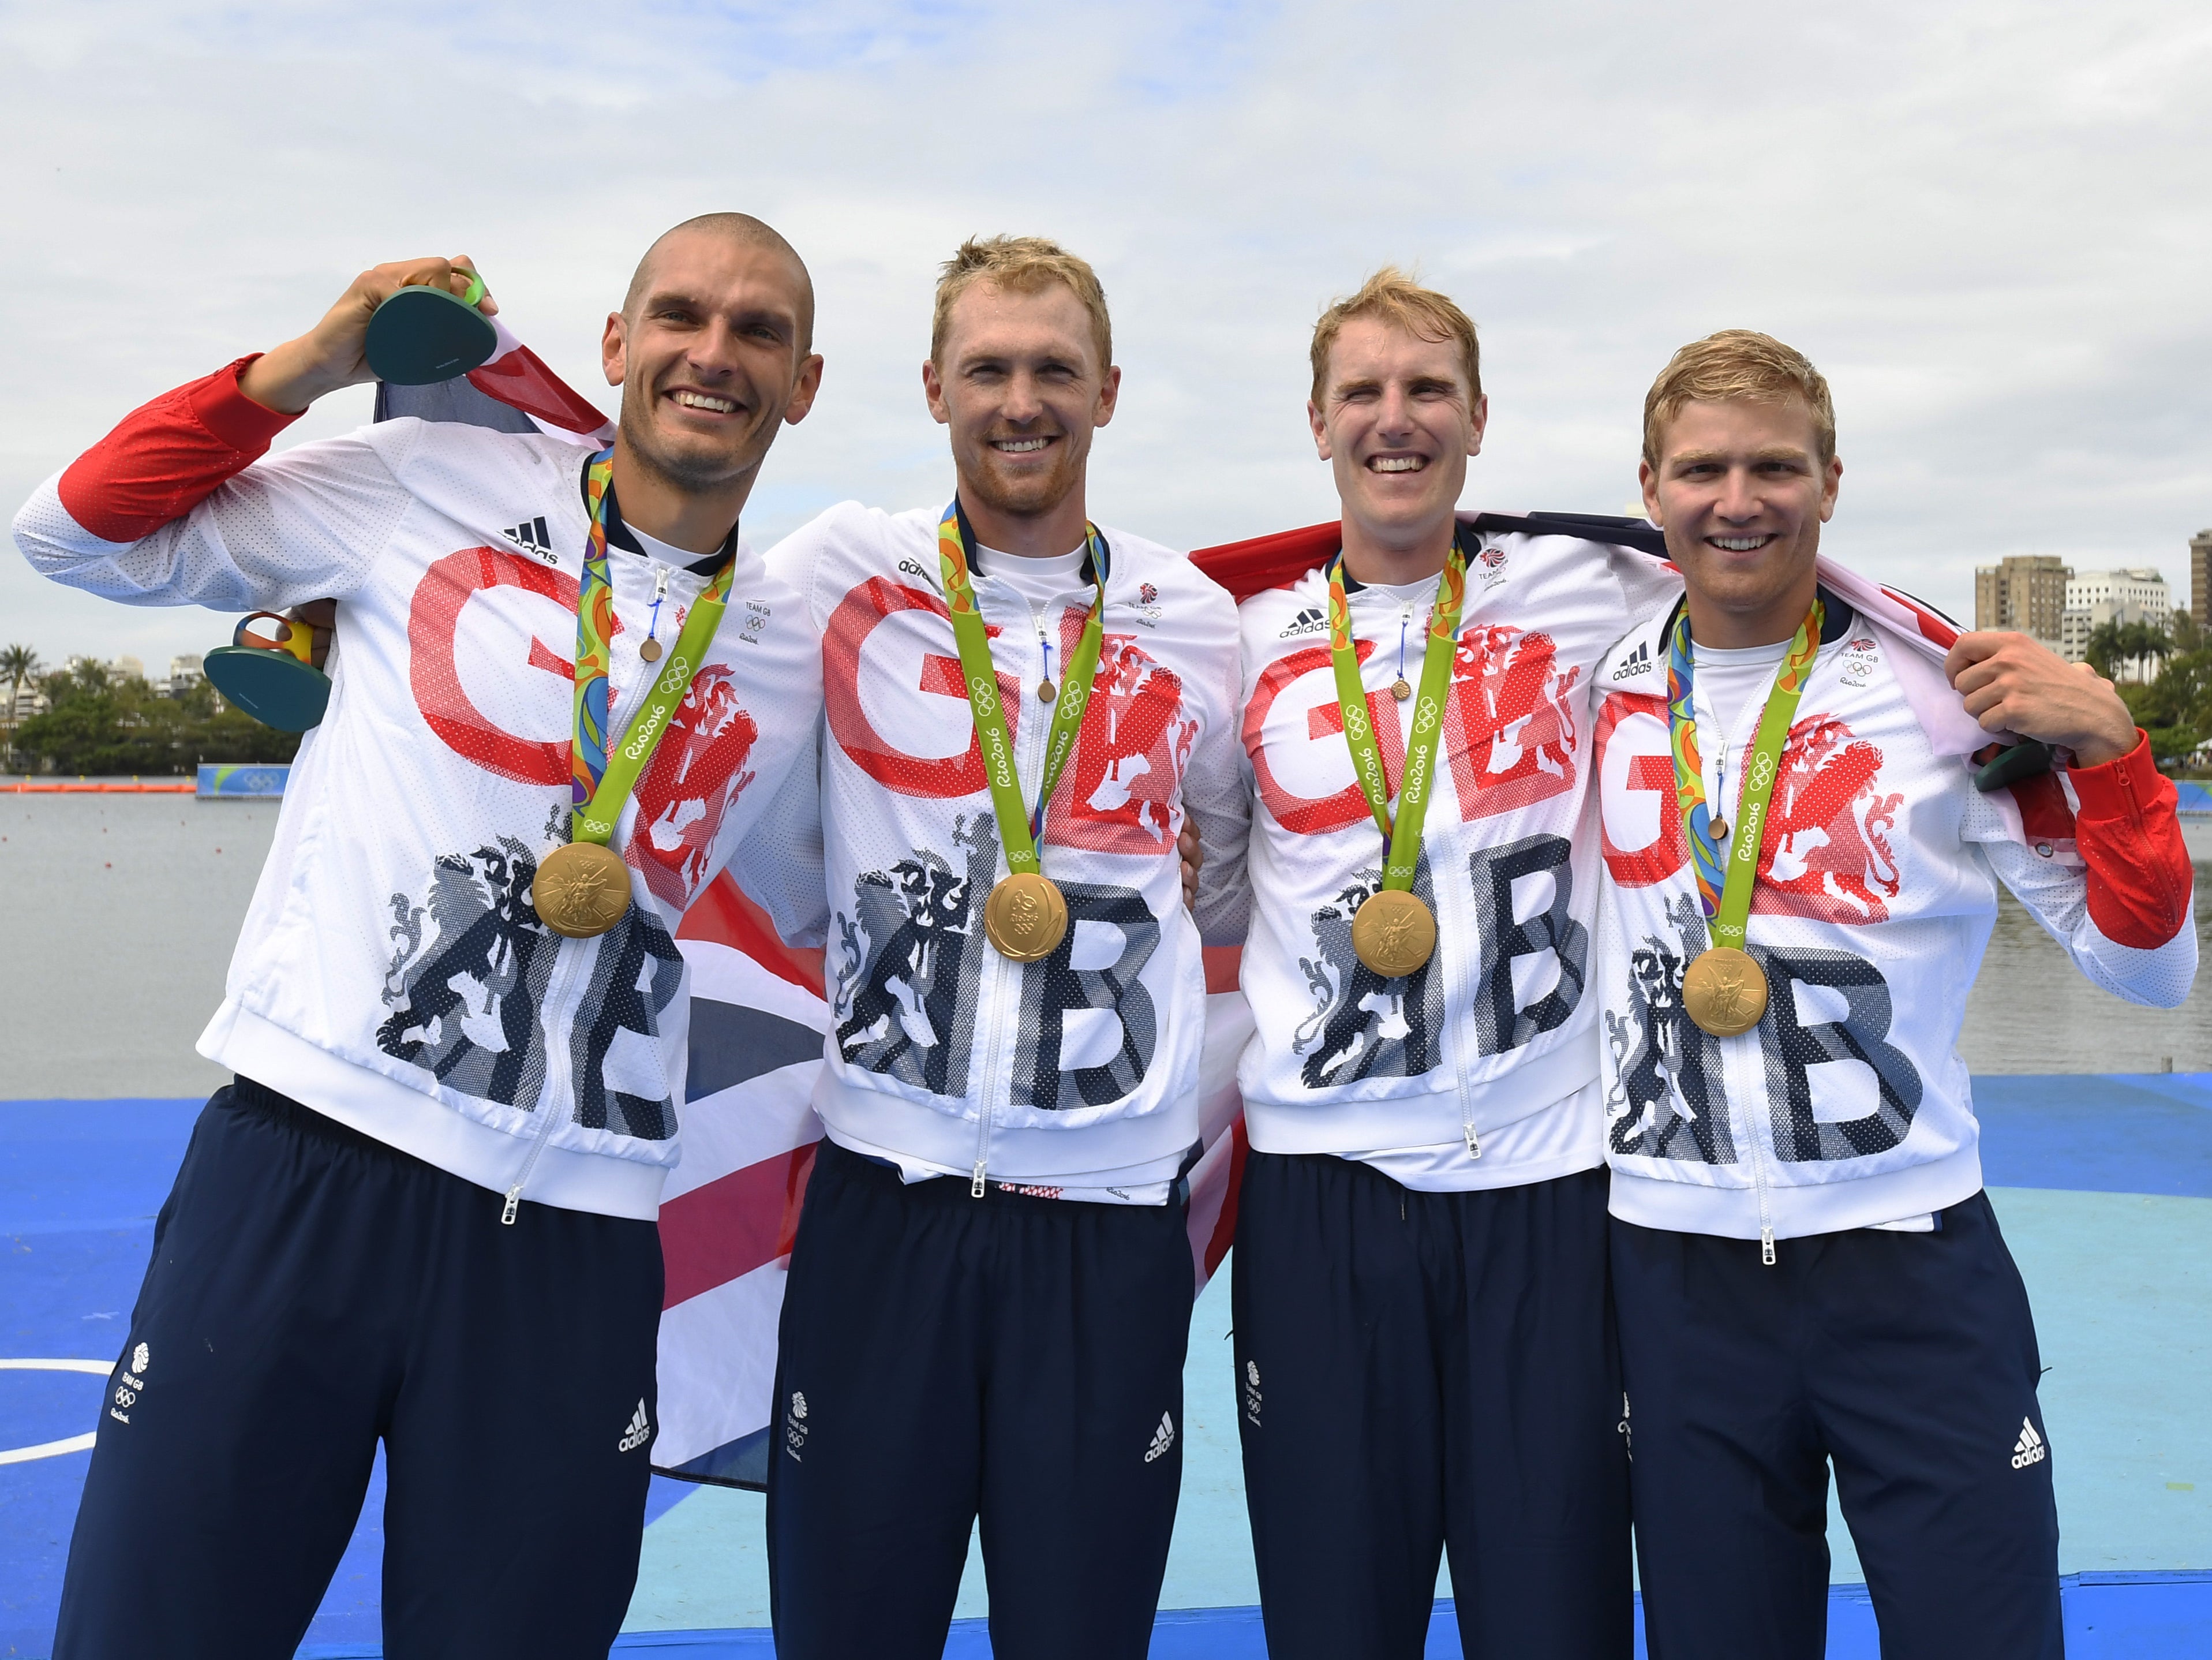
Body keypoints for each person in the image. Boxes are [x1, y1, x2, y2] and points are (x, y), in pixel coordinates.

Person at [13, 214, 828, 1659]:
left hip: (572, 1242)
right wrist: (309, 362)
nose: (716, 354)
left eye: (759, 332)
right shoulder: (424, 482)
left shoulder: (789, 645)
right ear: (617, 348)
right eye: (685, 317)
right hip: (306, 1167)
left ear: (804, 383)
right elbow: (74, 528)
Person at [1590, 328, 2197, 1659]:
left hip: (1910, 1268)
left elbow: (2146, 969)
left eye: (1774, 466)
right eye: (1702, 468)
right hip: (1673, 1273)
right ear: (1649, 489)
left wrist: (2113, 757)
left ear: (1832, 481)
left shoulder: (1947, 700)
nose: (1737, 499)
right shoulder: (1593, 689)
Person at [758, 235, 1249, 1660]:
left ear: (1107, 393)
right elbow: (667, 583)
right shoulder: (842, 566)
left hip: (1105, 1231)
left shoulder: (1196, 621)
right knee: (850, 1629)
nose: (1019, 400)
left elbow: (1215, 882)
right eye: (988, 368)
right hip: (885, 1205)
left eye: (1052, 370)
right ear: (931, 388)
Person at [1195, 268, 1676, 1660]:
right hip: (1325, 1197)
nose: (1394, 420)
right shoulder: (1243, 641)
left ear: (1477, 420)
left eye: (1426, 392)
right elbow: (1219, 881)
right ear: (1317, 421)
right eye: (1364, 393)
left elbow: (1773, 569)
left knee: (1556, 1617)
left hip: (1546, 1184)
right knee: (1338, 1621)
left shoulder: (1595, 589)